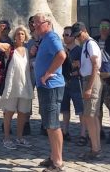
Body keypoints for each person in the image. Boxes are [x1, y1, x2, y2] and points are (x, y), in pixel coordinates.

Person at [33, 12, 67, 172]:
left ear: (47, 23)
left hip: (51, 87)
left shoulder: (52, 37)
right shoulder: (44, 39)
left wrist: (47, 74)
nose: (34, 26)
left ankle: (58, 162)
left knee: (53, 124)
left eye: (37, 24)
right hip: (46, 87)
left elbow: (62, 55)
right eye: (33, 24)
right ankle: (53, 156)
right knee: (48, 123)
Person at [0, 23, 34, 149]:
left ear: (25, 36)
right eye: (18, 34)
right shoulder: (9, 48)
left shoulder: (27, 51)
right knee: (9, 112)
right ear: (15, 36)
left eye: (22, 34)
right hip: (12, 85)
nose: (20, 36)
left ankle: (20, 137)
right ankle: (6, 138)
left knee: (23, 113)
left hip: (25, 85)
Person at [72, 21, 103, 160]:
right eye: (76, 36)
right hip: (88, 78)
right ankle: (96, 147)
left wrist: (89, 87)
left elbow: (95, 65)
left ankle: (95, 149)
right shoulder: (86, 45)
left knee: (89, 116)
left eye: (78, 35)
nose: (78, 38)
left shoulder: (90, 44)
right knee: (93, 116)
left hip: (91, 79)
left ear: (84, 31)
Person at [59, 25, 87, 145]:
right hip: (63, 82)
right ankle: (65, 131)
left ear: (73, 36)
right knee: (65, 109)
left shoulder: (80, 50)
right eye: (63, 35)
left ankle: (83, 134)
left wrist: (79, 66)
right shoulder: (61, 50)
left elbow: (85, 65)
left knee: (80, 109)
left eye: (67, 34)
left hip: (76, 82)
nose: (65, 37)